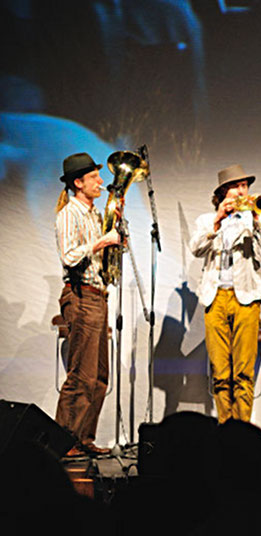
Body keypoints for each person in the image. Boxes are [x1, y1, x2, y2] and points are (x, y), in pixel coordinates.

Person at [189, 164, 261, 423]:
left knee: (244, 373)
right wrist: (217, 221)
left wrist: (256, 224)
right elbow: (196, 249)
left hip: (246, 298)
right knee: (221, 372)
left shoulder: (256, 218)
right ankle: (225, 430)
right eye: (236, 186)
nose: (241, 191)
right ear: (224, 191)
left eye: (245, 186)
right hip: (216, 298)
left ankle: (243, 432)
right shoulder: (206, 220)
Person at [54, 152, 121, 457]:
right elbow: (69, 256)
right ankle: (64, 441)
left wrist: (117, 237)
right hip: (81, 296)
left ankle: (84, 438)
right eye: (94, 177)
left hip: (98, 295)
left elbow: (102, 256)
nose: (101, 182)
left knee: (100, 377)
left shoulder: (95, 214)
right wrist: (101, 242)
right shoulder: (70, 213)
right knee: (81, 375)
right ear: (78, 183)